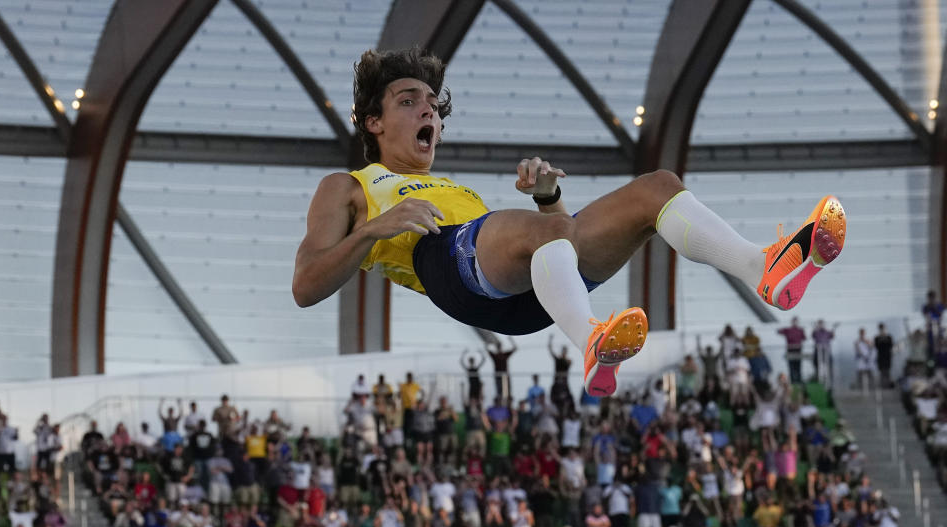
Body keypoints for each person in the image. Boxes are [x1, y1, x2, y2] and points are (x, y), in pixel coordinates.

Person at [291, 48, 846, 396]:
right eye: (410, 101)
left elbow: (562, 243)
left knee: (657, 188)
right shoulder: (349, 187)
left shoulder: (453, 189)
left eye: (433, 104)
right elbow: (305, 286)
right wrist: (371, 231)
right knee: (542, 233)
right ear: (373, 122)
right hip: (442, 265)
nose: (428, 111)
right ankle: (590, 342)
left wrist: (548, 196)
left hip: (521, 289)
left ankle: (763, 267)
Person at [778, 318, 806, 384]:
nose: (795, 323)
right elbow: (779, 331)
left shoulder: (800, 330)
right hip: (790, 349)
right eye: (793, 321)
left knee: (798, 366)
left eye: (796, 321)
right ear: (791, 322)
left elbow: (804, 338)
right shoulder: (788, 330)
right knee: (791, 366)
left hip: (798, 349)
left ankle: (799, 381)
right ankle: (793, 381)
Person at [875, 323, 894, 388]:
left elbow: (891, 345)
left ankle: (888, 385)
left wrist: (885, 337)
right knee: (882, 372)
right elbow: (877, 346)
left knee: (887, 371)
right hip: (881, 357)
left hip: (887, 356)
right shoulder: (877, 338)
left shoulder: (889, 337)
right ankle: (883, 385)